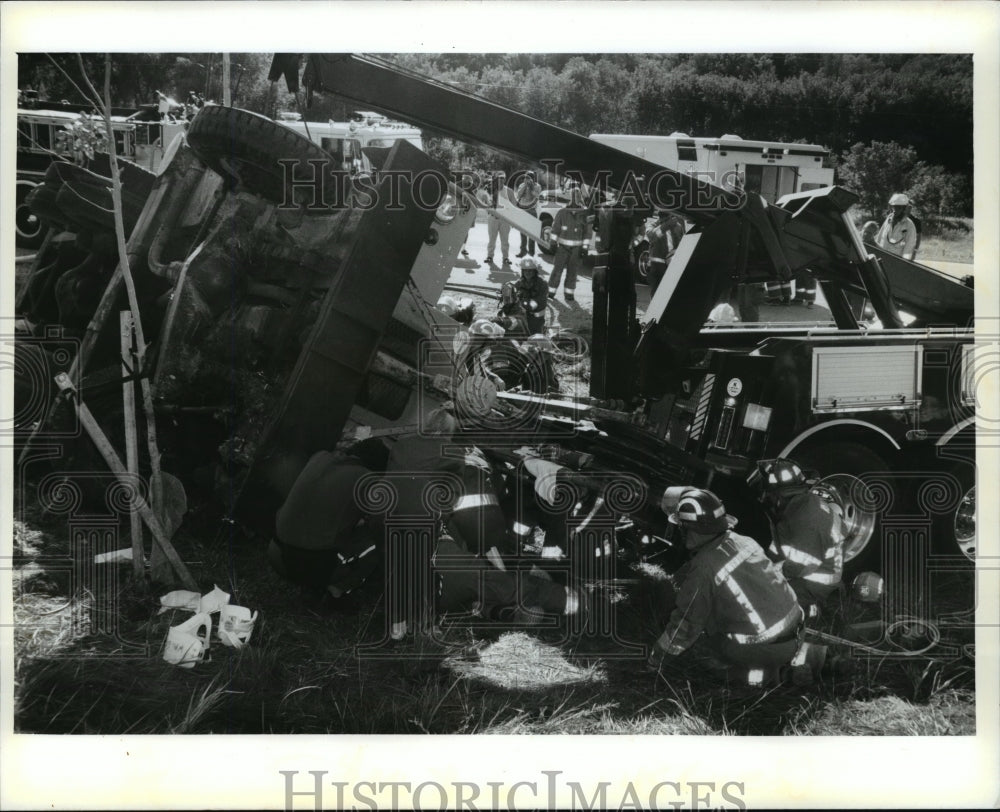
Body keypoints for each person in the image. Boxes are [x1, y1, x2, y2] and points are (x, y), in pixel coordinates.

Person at [647, 488, 805, 683]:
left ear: (691, 531)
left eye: (682, 528)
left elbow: (686, 625)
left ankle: (768, 676)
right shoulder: (744, 541)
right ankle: (812, 658)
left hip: (766, 650)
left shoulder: (705, 568)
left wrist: (657, 657)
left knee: (702, 650)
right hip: (797, 630)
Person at [268, 438, 390, 600]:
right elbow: (379, 522)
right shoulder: (367, 478)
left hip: (274, 551)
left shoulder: (320, 457)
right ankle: (337, 590)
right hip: (309, 569)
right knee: (380, 536)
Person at [752, 458, 845, 615]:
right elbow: (780, 550)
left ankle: (811, 609)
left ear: (779, 495)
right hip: (802, 572)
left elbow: (800, 566)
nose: (764, 497)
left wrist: (766, 576)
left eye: (767, 493)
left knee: (761, 603)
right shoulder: (797, 507)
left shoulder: (808, 520)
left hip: (814, 584)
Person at [547, 182, 590, 302]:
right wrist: (553, 244)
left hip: (576, 250)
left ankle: (569, 294)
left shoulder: (584, 213)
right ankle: (551, 292)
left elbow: (587, 233)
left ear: (579, 197)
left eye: (577, 196)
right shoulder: (562, 213)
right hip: (562, 248)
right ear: (570, 198)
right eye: (573, 196)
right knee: (557, 271)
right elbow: (555, 230)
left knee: (573, 272)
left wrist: (585, 248)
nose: (575, 199)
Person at [478, 171, 511, 266]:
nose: (500, 180)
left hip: (504, 218)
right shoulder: (490, 189)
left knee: (505, 240)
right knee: (492, 239)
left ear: (505, 179)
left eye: (502, 178)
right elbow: (483, 201)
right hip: (493, 217)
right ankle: (490, 256)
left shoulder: (508, 191)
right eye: (499, 178)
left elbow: (513, 205)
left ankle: (505, 258)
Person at [875, 193, 918, 261]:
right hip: (881, 260)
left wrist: (903, 264)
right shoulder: (888, 220)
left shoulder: (909, 226)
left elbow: (908, 250)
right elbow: (879, 239)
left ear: (904, 209)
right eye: (893, 207)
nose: (895, 210)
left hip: (895, 264)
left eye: (898, 207)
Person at [512, 256, 549, 334]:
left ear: (535, 271)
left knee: (535, 339)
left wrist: (525, 303)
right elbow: (513, 299)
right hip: (522, 317)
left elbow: (541, 301)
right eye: (525, 271)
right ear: (522, 271)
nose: (527, 273)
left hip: (536, 319)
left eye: (530, 271)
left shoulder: (542, 284)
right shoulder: (518, 284)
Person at [644, 210, 678, 292]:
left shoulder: (677, 226)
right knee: (656, 293)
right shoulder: (652, 226)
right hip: (656, 266)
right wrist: (666, 225)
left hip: (670, 265)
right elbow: (652, 237)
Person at [514, 170, 542, 258]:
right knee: (522, 232)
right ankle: (523, 251)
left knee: (531, 234)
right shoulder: (522, 185)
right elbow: (518, 195)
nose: (527, 179)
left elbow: (536, 195)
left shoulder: (537, 186)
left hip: (532, 211)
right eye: (526, 177)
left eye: (529, 178)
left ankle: (531, 252)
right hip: (523, 210)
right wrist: (525, 186)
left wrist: (531, 188)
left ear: (533, 179)